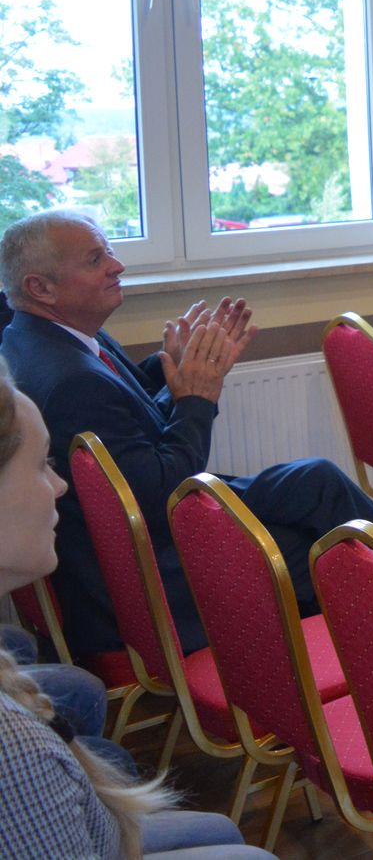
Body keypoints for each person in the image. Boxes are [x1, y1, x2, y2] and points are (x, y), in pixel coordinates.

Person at [0, 210, 373, 665]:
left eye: (109, 250)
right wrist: (198, 398)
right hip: (152, 576)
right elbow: (158, 498)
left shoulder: (40, 339)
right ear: (41, 287)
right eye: (95, 259)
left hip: (154, 533)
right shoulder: (71, 380)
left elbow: (123, 415)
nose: (117, 265)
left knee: (315, 483)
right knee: (330, 547)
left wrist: (172, 365)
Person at [0, 356, 277, 858]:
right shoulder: (16, 753)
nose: (60, 486)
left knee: (220, 831)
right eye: (42, 465)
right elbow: (157, 494)